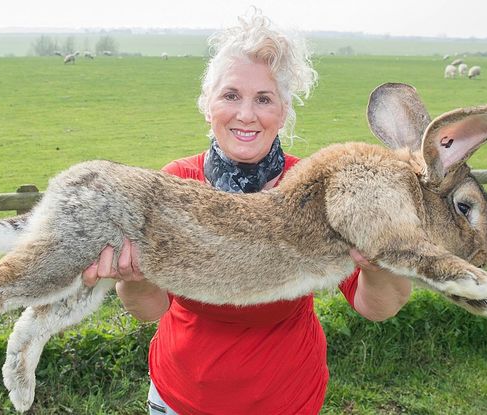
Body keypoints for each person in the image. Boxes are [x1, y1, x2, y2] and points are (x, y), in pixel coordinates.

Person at [82, 10, 412, 415]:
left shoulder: (318, 189)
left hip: (287, 400)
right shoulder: (173, 183)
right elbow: (149, 310)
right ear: (208, 105)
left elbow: (379, 307)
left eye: (263, 99)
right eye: (231, 95)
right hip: (180, 398)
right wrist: (132, 280)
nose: (246, 114)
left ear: (283, 112)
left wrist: (378, 266)